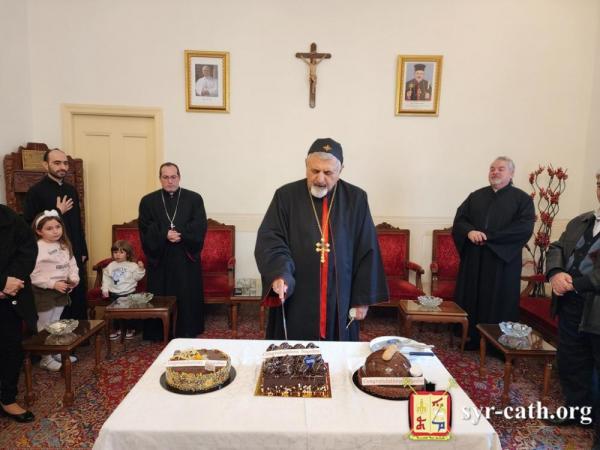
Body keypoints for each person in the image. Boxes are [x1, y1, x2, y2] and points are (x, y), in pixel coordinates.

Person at [255, 138, 389, 341]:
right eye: (314, 170)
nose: (319, 179)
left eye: (328, 173)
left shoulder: (356, 199)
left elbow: (367, 249)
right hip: (297, 294)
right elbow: (272, 240)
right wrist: (280, 273)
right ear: (305, 165)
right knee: (293, 352)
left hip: (341, 295)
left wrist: (362, 299)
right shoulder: (286, 196)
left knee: (338, 353)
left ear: (341, 170)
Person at [452, 157, 535, 349]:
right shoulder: (476, 196)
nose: (495, 172)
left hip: (502, 261)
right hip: (475, 259)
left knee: (499, 301)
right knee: (472, 298)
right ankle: (470, 338)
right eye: (492, 168)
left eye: (501, 169)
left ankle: (497, 344)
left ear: (511, 173)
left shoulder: (522, 199)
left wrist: (488, 238)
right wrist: (470, 232)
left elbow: (523, 229)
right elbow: (460, 220)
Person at [544, 171, 600, 447]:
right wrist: (555, 272)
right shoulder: (581, 220)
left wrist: (572, 284)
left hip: (596, 310)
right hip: (570, 305)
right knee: (571, 360)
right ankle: (576, 411)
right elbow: (556, 247)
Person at [138, 162, 207, 339]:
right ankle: (158, 332)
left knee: (186, 293)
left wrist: (181, 234)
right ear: (160, 178)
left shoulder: (194, 199)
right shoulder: (148, 201)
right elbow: (145, 228)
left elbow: (199, 225)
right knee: (161, 293)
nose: (170, 181)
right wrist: (164, 235)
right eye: (165, 177)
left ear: (179, 177)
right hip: (161, 257)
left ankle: (188, 329)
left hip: (185, 256)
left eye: (173, 177)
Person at [24, 149, 89, 321]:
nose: (63, 167)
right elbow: (30, 224)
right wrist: (57, 212)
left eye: (65, 163)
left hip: (71, 249)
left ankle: (77, 333)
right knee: (54, 306)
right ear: (45, 165)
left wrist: (82, 250)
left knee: (75, 293)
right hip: (48, 257)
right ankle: (55, 336)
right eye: (57, 163)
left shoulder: (71, 189)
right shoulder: (36, 191)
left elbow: (78, 222)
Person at [0, 204, 37, 423]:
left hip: (10, 296)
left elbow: (27, 250)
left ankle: (7, 398)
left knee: (10, 347)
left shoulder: (9, 217)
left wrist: (10, 283)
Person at [30, 210, 80, 371]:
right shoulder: (37, 247)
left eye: (58, 227)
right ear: (39, 231)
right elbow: (32, 274)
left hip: (62, 289)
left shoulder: (64, 244)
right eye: (49, 228)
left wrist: (73, 279)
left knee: (56, 323)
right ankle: (46, 358)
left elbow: (72, 264)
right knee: (45, 325)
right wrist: (52, 284)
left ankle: (55, 352)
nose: (55, 231)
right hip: (44, 292)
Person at [102, 240, 145, 340]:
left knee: (127, 314)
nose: (118, 255)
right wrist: (105, 289)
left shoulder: (132, 265)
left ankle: (129, 329)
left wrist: (141, 269)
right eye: (115, 252)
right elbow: (106, 278)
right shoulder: (111, 265)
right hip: (114, 293)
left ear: (128, 254)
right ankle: (117, 329)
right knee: (115, 313)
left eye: (121, 252)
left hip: (128, 293)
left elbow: (137, 277)